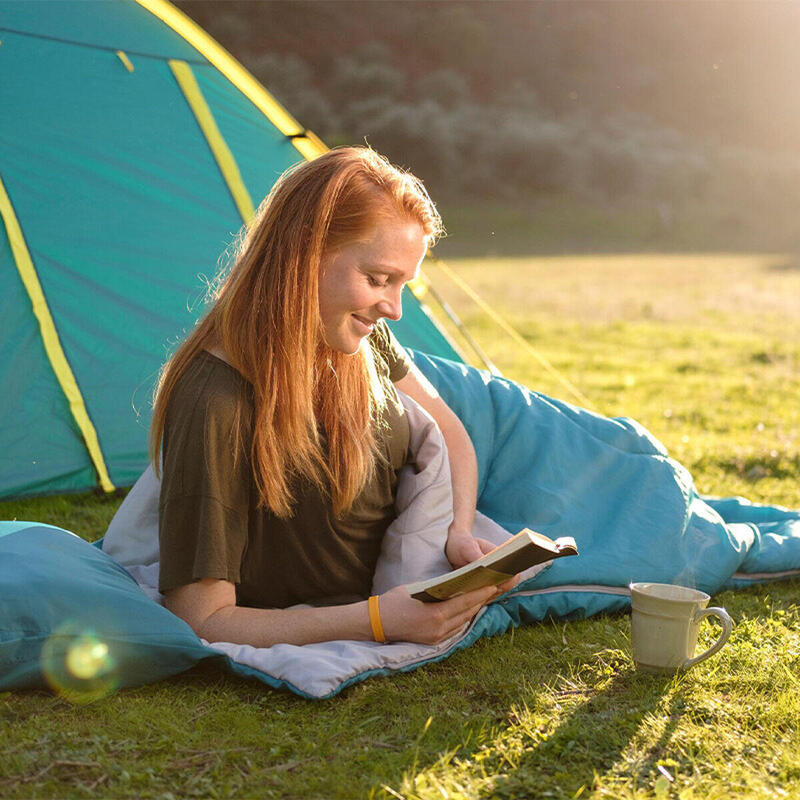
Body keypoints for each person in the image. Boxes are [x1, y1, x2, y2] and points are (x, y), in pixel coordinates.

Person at [149, 146, 516, 648]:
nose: (395, 309)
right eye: (378, 279)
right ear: (303, 253)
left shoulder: (353, 336)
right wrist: (379, 621)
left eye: (404, 284)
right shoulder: (215, 400)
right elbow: (201, 620)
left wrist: (458, 532)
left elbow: (449, 433)